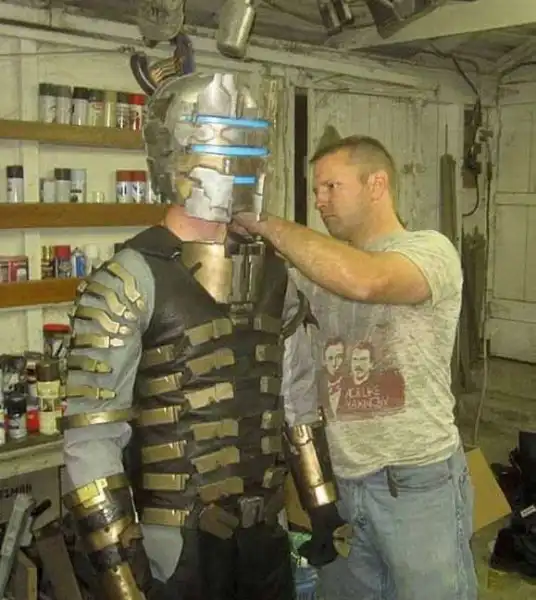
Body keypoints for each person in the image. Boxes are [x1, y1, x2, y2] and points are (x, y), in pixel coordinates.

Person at [59, 61, 351, 600]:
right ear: (176, 154)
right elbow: (91, 442)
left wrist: (321, 504)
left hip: (264, 536)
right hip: (174, 544)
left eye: (248, 147)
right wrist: (122, 573)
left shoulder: (274, 274)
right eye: (226, 146)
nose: (236, 165)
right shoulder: (127, 281)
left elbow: (296, 402)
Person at [233, 134, 479, 600]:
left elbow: (367, 281)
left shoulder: (430, 251)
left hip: (416, 482)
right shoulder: (317, 269)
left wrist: (263, 222)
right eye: (316, 190)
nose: (320, 200)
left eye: (332, 187)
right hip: (346, 484)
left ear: (377, 184)